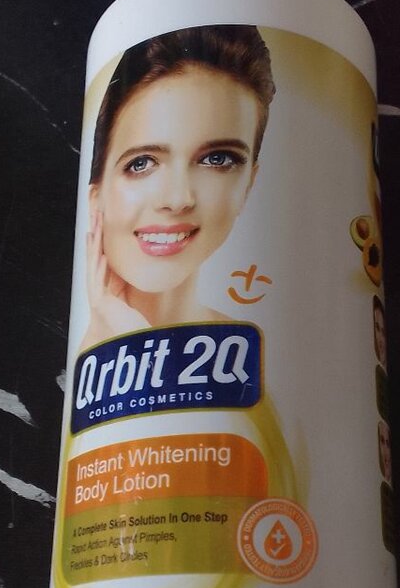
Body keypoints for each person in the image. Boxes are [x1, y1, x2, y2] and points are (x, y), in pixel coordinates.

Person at [81, 25, 275, 350]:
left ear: (248, 184)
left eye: (217, 159)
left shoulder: (268, 354)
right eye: (141, 163)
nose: (177, 199)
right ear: (95, 196)